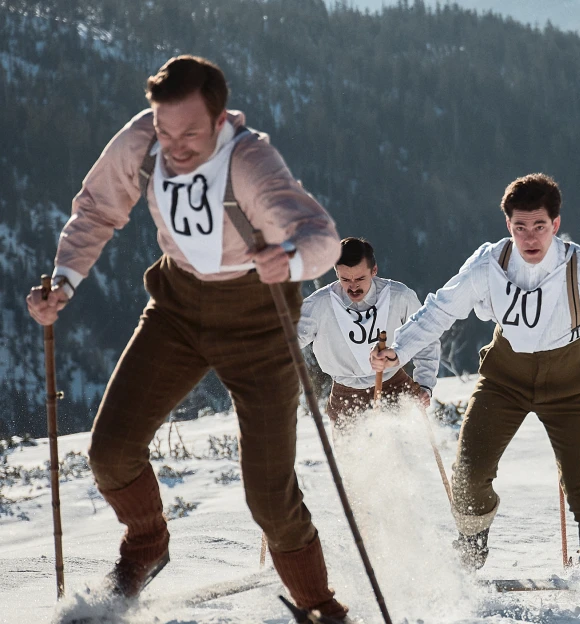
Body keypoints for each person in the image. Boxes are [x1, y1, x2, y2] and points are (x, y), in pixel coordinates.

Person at [25, 56, 350, 620]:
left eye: (191, 132)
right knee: (110, 452)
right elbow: (98, 207)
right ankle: (148, 543)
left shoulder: (249, 160)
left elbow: (321, 237)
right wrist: (64, 280)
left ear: (220, 119)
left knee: (270, 499)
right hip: (176, 307)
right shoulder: (143, 142)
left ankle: (320, 607)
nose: (174, 145)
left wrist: (290, 258)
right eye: (165, 128)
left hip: (258, 323)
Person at [371, 173, 580, 614]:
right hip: (505, 377)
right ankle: (473, 541)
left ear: (556, 223)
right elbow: (440, 308)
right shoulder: (488, 265)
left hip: (569, 382)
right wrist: (397, 350)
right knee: (469, 472)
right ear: (508, 226)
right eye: (519, 227)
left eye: (539, 226)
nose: (530, 237)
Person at [298, 237, 439, 424]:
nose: (353, 286)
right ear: (336, 274)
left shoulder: (399, 296)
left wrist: (424, 384)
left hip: (395, 385)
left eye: (360, 278)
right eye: (345, 279)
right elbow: (287, 342)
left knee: (406, 451)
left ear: (374, 271)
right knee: (354, 454)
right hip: (345, 395)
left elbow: (425, 338)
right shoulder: (319, 305)